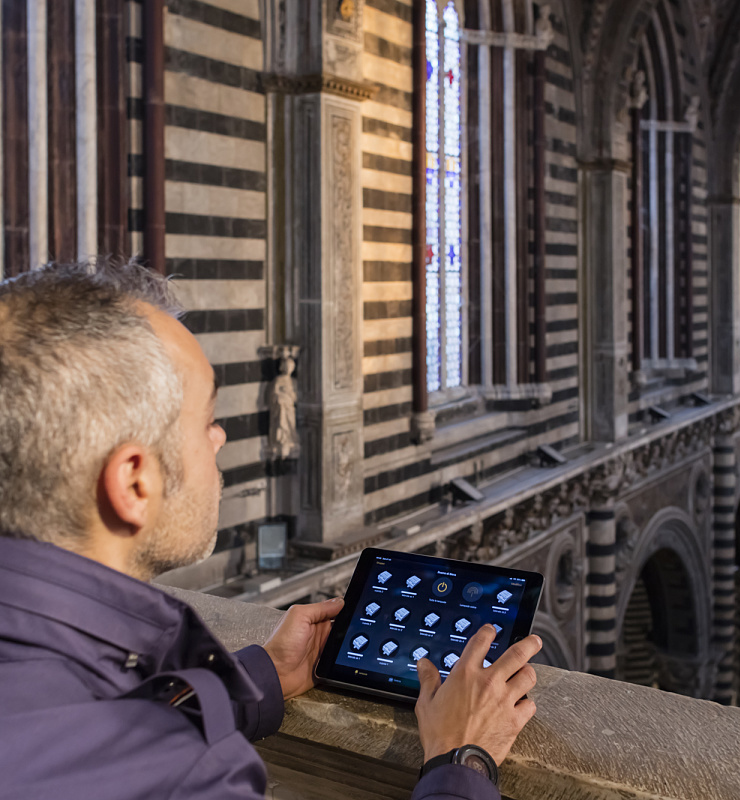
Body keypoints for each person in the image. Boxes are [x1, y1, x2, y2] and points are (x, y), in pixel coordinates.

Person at [0, 261, 541, 799]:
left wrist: (261, 680)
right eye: (206, 421)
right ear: (135, 483)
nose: (219, 439)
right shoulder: (181, 777)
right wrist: (461, 759)